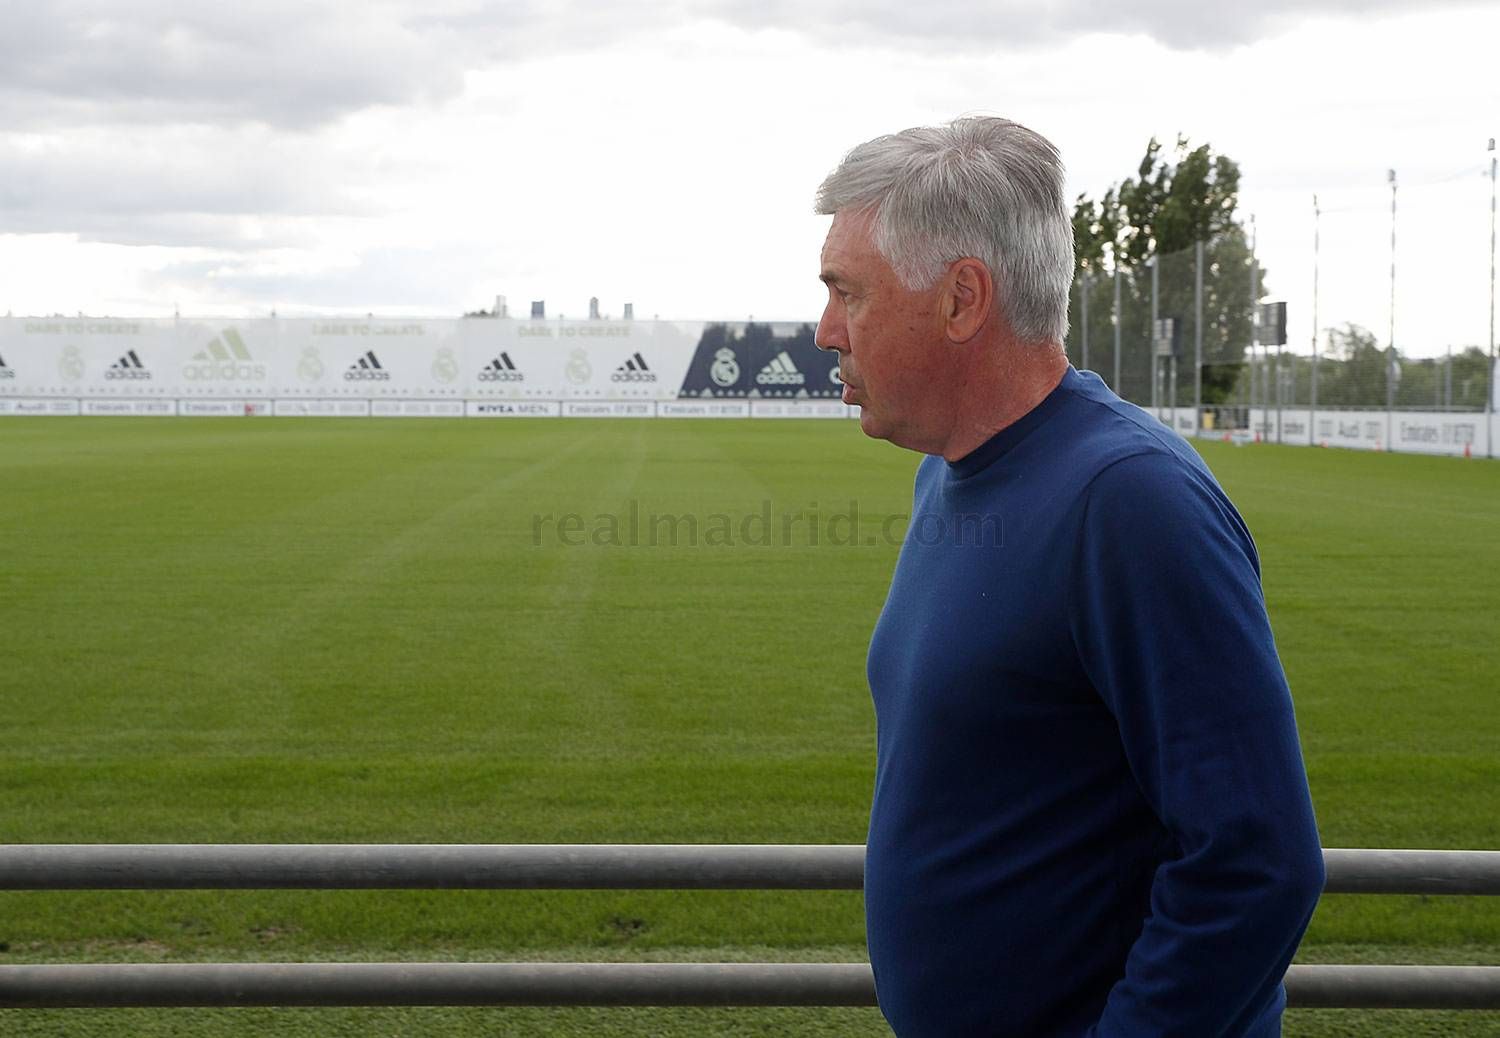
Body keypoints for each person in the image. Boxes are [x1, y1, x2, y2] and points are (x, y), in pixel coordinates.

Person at [813, 116, 1325, 1037]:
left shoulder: (1130, 501)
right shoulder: (950, 470)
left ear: (963, 299)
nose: (824, 331)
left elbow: (1255, 861)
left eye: (848, 293)